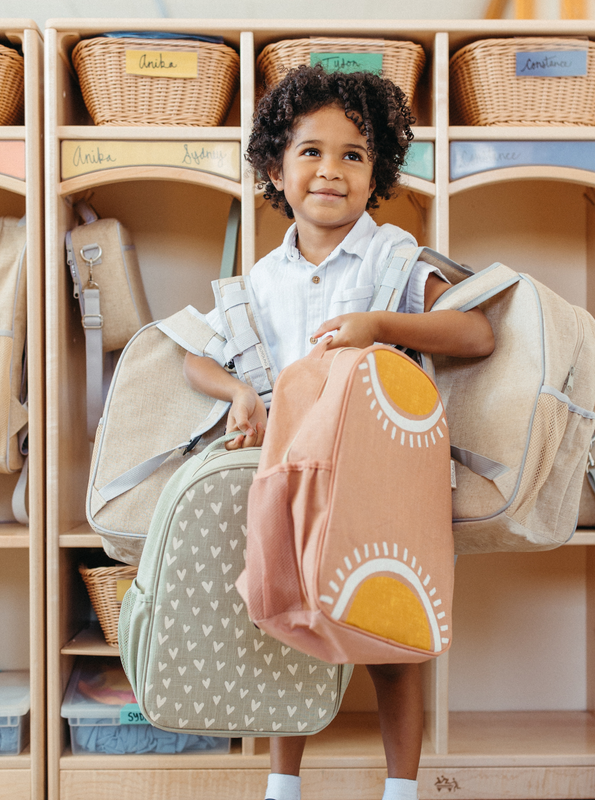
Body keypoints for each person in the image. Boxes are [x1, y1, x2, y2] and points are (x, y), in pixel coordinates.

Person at [183, 64, 494, 800]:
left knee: (395, 637)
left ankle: (402, 790)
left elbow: (476, 333)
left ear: (377, 170)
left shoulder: (395, 258)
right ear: (275, 168)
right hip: (295, 473)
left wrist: (381, 325)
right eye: (311, 151)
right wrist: (238, 394)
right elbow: (197, 354)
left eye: (353, 155)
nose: (331, 170)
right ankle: (282, 785)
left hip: (384, 478)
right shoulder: (261, 278)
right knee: (293, 619)